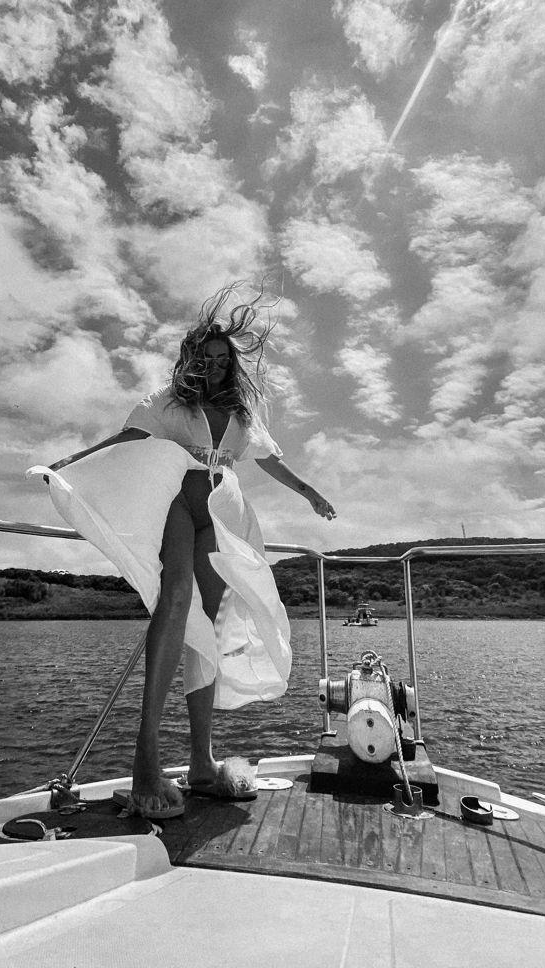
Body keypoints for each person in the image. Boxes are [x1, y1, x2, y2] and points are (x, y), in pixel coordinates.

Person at [31, 288, 335, 821]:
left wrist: (309, 492)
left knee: (209, 629)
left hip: (220, 514)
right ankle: (145, 761)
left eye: (223, 360)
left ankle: (201, 763)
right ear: (192, 359)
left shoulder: (242, 413)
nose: (215, 368)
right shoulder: (170, 402)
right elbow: (129, 436)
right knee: (174, 602)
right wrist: (72, 462)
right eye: (207, 358)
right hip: (178, 502)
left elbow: (267, 459)